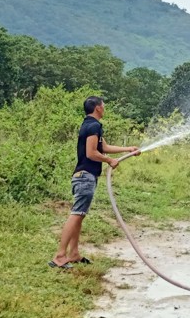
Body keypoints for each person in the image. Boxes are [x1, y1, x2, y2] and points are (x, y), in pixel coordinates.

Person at [49, 96, 139, 268]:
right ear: (97, 108)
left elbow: (103, 147)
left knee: (79, 215)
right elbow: (91, 153)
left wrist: (128, 149)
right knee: (76, 214)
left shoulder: (90, 125)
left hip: (84, 177)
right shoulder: (93, 126)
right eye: (103, 106)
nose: (104, 109)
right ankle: (60, 256)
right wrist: (109, 161)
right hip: (85, 177)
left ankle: (74, 254)